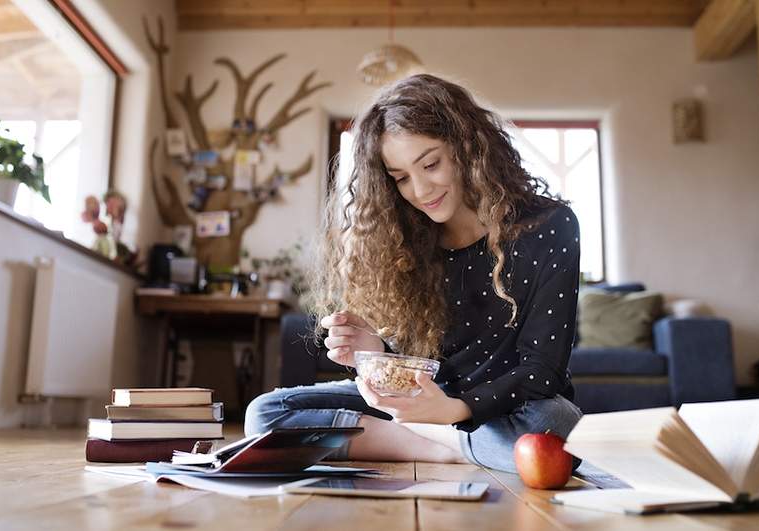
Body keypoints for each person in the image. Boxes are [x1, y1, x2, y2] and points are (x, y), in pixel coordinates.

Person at [245, 74, 583, 473]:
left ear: (467, 148)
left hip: (513, 409)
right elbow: (424, 367)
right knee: (265, 414)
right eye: (401, 177)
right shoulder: (405, 239)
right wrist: (374, 355)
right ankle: (449, 447)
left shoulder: (550, 225)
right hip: (430, 406)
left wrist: (455, 410)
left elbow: (543, 373)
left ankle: (430, 438)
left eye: (431, 164)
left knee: (554, 424)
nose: (421, 190)